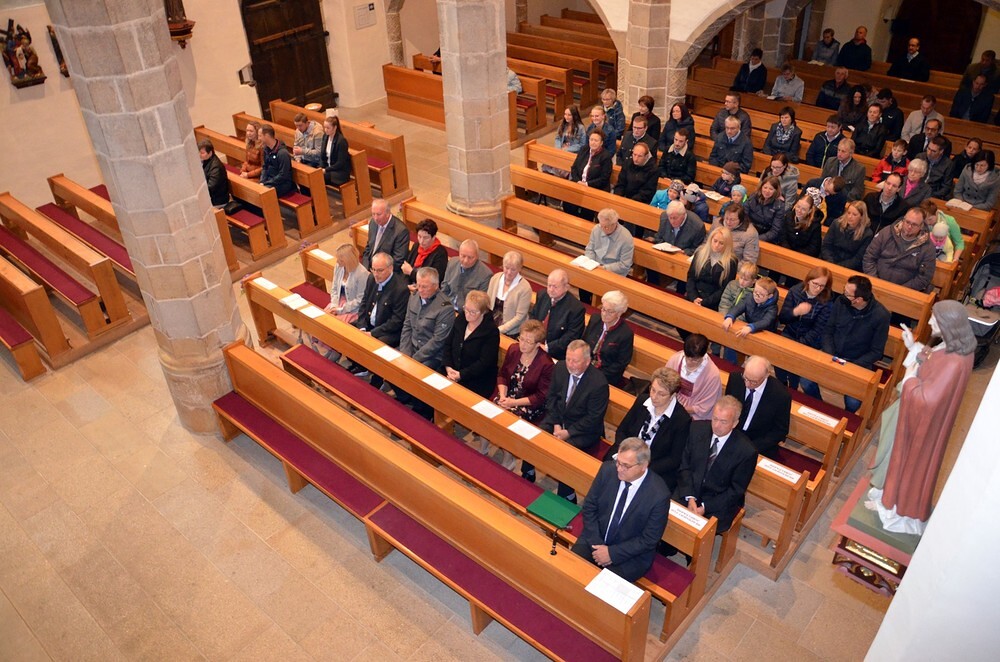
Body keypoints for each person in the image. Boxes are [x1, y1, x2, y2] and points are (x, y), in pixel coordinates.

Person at [868, 300, 976, 534]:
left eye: (934, 319)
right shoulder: (951, 346)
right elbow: (931, 360)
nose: (929, 322)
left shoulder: (955, 361)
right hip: (917, 421)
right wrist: (913, 346)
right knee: (896, 454)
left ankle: (898, 509)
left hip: (922, 428)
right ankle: (889, 497)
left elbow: (927, 399)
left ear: (948, 324)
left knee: (910, 465)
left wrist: (909, 378)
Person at [571, 437, 670, 581]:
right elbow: (589, 506)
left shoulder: (659, 495)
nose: (618, 469)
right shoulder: (607, 470)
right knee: (571, 571)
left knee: (603, 587)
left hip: (630, 555)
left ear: (643, 466)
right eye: (618, 462)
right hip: (595, 538)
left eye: (626, 466)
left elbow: (649, 539)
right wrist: (597, 544)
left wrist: (611, 553)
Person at [800, 275, 889, 411]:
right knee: (805, 381)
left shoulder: (881, 316)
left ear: (858, 300)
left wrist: (852, 366)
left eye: (847, 294)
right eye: (844, 290)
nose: (843, 295)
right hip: (833, 353)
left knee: (854, 402)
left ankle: (846, 416)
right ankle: (820, 407)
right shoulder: (840, 302)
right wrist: (830, 354)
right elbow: (828, 330)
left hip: (858, 362)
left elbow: (876, 351)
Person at [538, 339, 610, 500]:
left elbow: (593, 418)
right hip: (558, 418)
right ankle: (527, 472)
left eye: (575, 361)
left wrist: (568, 432)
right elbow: (551, 397)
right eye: (568, 359)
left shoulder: (598, 383)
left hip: (583, 429)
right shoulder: (560, 367)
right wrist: (556, 423)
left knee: (566, 454)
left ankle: (567, 494)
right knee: (538, 437)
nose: (570, 364)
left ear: (587, 361)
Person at [676, 396, 757, 532]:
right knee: (667, 517)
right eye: (715, 419)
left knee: (700, 534)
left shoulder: (746, 451)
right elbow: (685, 465)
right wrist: (690, 497)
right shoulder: (697, 429)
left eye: (723, 422)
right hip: (689, 490)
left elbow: (735, 490)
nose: (717, 425)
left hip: (717, 502)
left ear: (735, 423)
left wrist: (704, 507)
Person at [610, 368, 691, 490]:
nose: (654, 396)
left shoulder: (681, 419)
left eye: (661, 394)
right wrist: (624, 455)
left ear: (673, 395)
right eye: (653, 390)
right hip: (626, 455)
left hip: (654, 467)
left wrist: (642, 468)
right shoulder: (642, 401)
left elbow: (674, 459)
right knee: (608, 475)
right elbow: (622, 430)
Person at [395, 266, 456, 417]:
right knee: (391, 365)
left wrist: (414, 359)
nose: (420, 290)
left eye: (425, 287)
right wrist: (405, 353)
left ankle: (423, 410)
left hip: (432, 355)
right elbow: (407, 325)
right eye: (418, 285)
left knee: (418, 375)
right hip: (412, 347)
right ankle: (406, 397)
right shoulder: (414, 297)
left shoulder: (445, 308)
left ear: (436, 286)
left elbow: (438, 341)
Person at [352, 252, 410, 379]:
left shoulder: (401, 289)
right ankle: (360, 365)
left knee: (377, 346)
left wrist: (373, 333)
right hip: (370, 324)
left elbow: (396, 321)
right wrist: (362, 327)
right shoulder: (371, 279)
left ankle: (378, 376)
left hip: (388, 331)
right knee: (349, 332)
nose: (376, 274)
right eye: (373, 269)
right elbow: (364, 303)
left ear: (390, 268)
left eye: (380, 270)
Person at [775, 266, 833, 389]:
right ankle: (782, 384)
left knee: (796, 365)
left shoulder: (826, 302)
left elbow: (818, 330)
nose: (818, 288)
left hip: (809, 340)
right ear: (808, 281)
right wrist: (795, 312)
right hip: (790, 332)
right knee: (778, 357)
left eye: (822, 286)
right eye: (815, 284)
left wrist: (800, 344)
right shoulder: (795, 291)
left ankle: (793, 388)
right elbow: (783, 318)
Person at [724, 356, 791, 459]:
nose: (747, 384)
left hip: (759, 442)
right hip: (733, 434)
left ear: (767, 375)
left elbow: (780, 430)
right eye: (745, 378)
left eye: (753, 382)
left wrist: (752, 448)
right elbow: (727, 406)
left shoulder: (780, 395)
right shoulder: (735, 378)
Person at [443, 290, 500, 399]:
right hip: (452, 370)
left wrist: (461, 375)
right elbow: (448, 344)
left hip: (476, 379)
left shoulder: (491, 332)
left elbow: (484, 362)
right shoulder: (461, 319)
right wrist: (448, 367)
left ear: (483, 312)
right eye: (466, 309)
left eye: (473, 312)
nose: (468, 314)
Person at [496, 319, 554, 425]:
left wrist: (514, 402)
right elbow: (502, 375)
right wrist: (503, 396)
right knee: (492, 410)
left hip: (528, 404)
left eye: (528, 342)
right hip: (508, 395)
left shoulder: (546, 364)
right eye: (521, 339)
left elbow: (540, 396)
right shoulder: (514, 349)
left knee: (507, 419)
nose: (522, 344)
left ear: (538, 344)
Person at [863, 208, 936, 292]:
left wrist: (901, 290)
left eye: (914, 224)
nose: (909, 227)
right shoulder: (886, 233)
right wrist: (874, 280)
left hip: (904, 292)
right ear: (903, 220)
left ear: (921, 226)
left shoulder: (928, 248)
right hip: (875, 284)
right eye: (907, 222)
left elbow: (924, 277)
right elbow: (869, 257)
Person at [529, 268, 585, 361]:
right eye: (549, 285)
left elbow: (571, 337)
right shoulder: (542, 295)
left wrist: (547, 348)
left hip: (556, 354)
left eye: (555, 287)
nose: (551, 290)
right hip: (535, 343)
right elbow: (533, 317)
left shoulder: (576, 309)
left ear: (566, 287)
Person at [665, 333, 722, 421]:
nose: (689, 362)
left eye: (695, 360)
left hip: (694, 412)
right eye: (687, 357)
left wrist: (678, 410)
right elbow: (664, 382)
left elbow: (705, 406)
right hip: (673, 401)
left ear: (703, 355)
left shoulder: (712, 375)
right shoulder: (676, 359)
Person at [583, 290, 634, 388]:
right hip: (585, 366)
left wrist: (595, 375)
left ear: (619, 313)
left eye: (610, 311)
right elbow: (583, 343)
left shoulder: (625, 334)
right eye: (603, 309)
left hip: (606, 376)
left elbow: (620, 364)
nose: (604, 314)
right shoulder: (595, 319)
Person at [687, 226, 738, 313]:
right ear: (710, 240)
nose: (717, 245)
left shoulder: (731, 262)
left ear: (727, 245)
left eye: (721, 243)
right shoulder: (700, 253)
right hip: (694, 296)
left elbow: (724, 288)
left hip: (713, 302)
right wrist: (694, 297)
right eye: (715, 241)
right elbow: (691, 278)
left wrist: (705, 302)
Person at [565, 129, 613, 220]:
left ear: (601, 143)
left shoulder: (605, 156)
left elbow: (604, 178)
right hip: (579, 183)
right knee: (568, 201)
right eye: (591, 139)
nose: (593, 142)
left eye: (596, 140)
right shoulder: (584, 149)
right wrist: (578, 181)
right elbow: (574, 168)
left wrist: (587, 184)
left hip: (594, 187)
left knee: (586, 209)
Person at [486, 251, 532, 336]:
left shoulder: (525, 288)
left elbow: (520, 317)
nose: (509, 272)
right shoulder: (495, 278)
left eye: (513, 269)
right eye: (506, 268)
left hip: (512, 331)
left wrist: (500, 329)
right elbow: (487, 303)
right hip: (490, 324)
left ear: (520, 268)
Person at [441, 239, 492, 311]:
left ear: (477, 257)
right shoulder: (452, 263)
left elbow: (480, 304)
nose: (465, 261)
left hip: (467, 312)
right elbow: (444, 288)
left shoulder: (485, 275)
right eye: (463, 256)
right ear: (459, 253)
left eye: (470, 257)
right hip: (447, 306)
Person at [361, 198, 408, 272]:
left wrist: (376, 271)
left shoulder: (400, 231)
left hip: (384, 271)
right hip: (371, 267)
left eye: (379, 214)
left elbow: (398, 260)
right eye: (373, 214)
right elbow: (369, 248)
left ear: (388, 213)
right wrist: (365, 269)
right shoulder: (373, 223)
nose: (375, 218)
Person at [326, 244, 369, 324]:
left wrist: (341, 310)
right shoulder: (338, 266)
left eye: (340, 260)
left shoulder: (362, 274)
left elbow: (360, 300)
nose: (337, 262)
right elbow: (334, 288)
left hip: (352, 308)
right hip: (339, 302)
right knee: (325, 319)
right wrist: (334, 305)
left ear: (348, 260)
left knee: (336, 324)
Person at [825, 200, 875, 269]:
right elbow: (826, 245)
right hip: (830, 261)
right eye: (848, 213)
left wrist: (839, 267)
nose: (850, 217)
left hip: (849, 267)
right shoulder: (836, 224)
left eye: (854, 214)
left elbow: (858, 258)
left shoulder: (867, 234)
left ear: (861, 217)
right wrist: (830, 262)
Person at [585, 209, 634, 277]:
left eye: (606, 227)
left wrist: (603, 268)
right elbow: (590, 249)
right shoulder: (597, 229)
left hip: (614, 273)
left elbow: (624, 264)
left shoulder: (626, 238)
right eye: (601, 225)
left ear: (614, 224)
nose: (602, 229)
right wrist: (591, 262)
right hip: (595, 266)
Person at [543, 106, 587, 179]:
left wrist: (567, 149)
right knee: (548, 161)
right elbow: (558, 138)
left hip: (572, 151)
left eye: (569, 115)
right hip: (561, 148)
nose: (566, 117)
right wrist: (558, 148)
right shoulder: (563, 124)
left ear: (574, 116)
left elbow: (582, 144)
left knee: (562, 167)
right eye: (565, 114)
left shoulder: (580, 128)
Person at [401, 218, 447, 287]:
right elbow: (407, 267)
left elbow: (435, 279)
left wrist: (411, 272)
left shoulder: (440, 253)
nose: (421, 241)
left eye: (425, 238)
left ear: (433, 237)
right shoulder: (416, 245)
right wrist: (407, 286)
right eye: (419, 236)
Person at [743, 176, 786, 243]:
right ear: (761, 187)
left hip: (765, 235)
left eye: (771, 189)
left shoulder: (779, 205)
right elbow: (743, 215)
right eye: (765, 187)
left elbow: (775, 230)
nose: (767, 191)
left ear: (776, 191)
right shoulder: (753, 196)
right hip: (749, 228)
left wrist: (757, 239)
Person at [780, 194, 823, 259]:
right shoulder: (788, 216)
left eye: (803, 209)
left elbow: (813, 248)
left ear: (809, 211)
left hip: (803, 257)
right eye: (798, 207)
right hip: (786, 252)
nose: (799, 211)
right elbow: (783, 236)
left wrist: (796, 255)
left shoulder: (815, 225)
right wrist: (787, 250)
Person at [258, 124, 295, 197]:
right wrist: (262, 181)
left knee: (264, 194)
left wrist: (266, 183)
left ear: (267, 136)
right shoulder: (266, 149)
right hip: (270, 181)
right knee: (258, 189)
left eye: (260, 136)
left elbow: (283, 175)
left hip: (282, 184)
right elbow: (265, 167)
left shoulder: (282, 153)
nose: (258, 138)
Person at [197, 138, 230, 208]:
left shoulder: (216, 167)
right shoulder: (206, 160)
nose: (199, 155)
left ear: (210, 153)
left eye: (202, 153)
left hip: (218, 201)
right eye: (199, 152)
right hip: (212, 197)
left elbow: (210, 187)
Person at [319, 115, 351, 187]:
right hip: (328, 168)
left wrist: (326, 170)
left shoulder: (341, 141)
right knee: (312, 174)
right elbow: (322, 155)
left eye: (328, 128)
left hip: (339, 172)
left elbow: (340, 163)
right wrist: (321, 167)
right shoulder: (325, 136)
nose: (325, 130)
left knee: (318, 178)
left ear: (335, 127)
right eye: (324, 127)